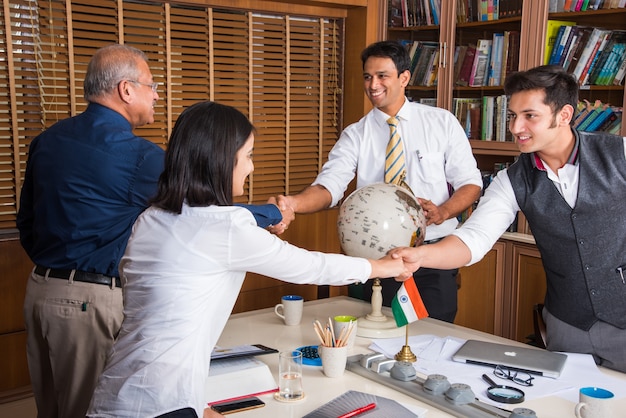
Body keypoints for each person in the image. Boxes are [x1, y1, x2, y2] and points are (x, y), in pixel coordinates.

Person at [85, 101, 411, 418]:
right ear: (221, 161)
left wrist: (196, 403)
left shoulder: (151, 219)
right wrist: (383, 266)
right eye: (248, 156)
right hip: (163, 403)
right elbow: (311, 266)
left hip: (117, 393)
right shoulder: (226, 228)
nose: (252, 167)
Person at [16, 44, 289, 418]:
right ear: (126, 90)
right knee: (89, 409)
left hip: (39, 293)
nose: (158, 93)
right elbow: (204, 211)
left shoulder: (48, 140)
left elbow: (26, 224)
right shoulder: (136, 156)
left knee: (51, 408)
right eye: (151, 84)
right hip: (87, 302)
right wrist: (271, 212)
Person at [390, 65, 626, 373]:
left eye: (530, 116)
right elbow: (472, 240)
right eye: (512, 116)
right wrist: (420, 254)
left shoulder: (619, 153)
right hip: (568, 326)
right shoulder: (512, 180)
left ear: (564, 115)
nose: (516, 128)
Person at [273, 40, 482, 322]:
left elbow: (470, 183)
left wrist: (443, 211)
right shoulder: (355, 134)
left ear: (404, 78)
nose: (373, 85)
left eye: (382, 76)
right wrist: (293, 203)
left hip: (431, 257)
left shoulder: (441, 123)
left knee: (432, 337)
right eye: (368, 77)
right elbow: (329, 188)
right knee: (368, 339)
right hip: (370, 261)